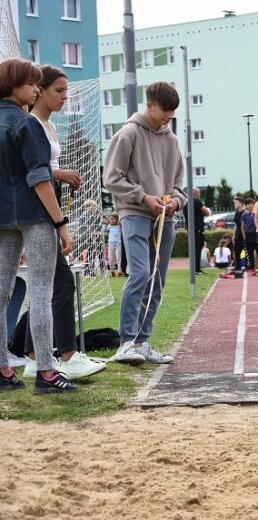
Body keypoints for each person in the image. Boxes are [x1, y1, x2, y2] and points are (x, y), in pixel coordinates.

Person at [0, 57, 78, 393]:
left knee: (0, 295)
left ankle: (3, 371)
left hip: (3, 218)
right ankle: (46, 373)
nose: (35, 89)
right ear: (13, 84)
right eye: (31, 83)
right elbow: (40, 178)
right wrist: (61, 222)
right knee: (43, 294)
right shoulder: (27, 124)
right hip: (35, 217)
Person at [25, 64, 106, 381]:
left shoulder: (48, 125)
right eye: (59, 91)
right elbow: (32, 171)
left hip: (52, 205)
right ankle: (67, 355)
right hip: (40, 209)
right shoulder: (30, 124)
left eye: (66, 91)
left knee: (48, 285)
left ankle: (34, 357)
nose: (64, 97)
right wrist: (61, 176)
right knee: (58, 284)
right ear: (39, 90)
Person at [103, 81, 187, 365]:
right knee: (139, 274)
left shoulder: (172, 140)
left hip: (166, 218)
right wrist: (143, 197)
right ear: (150, 104)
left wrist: (175, 201)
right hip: (134, 213)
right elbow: (112, 178)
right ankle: (126, 342)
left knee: (157, 282)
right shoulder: (127, 134)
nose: (169, 116)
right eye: (166, 110)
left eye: (173, 111)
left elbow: (178, 185)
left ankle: (142, 341)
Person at [184, 186, 210, 274]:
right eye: (199, 193)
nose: (200, 195)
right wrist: (203, 212)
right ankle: (197, 269)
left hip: (190, 229)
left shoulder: (186, 203)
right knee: (198, 249)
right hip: (198, 229)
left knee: (193, 249)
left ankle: (194, 268)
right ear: (195, 194)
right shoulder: (196, 202)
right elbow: (206, 212)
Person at [232, 196, 246, 268]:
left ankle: (248, 264)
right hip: (238, 234)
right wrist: (234, 235)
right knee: (236, 249)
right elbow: (236, 225)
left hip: (245, 234)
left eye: (236, 203)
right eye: (234, 203)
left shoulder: (245, 212)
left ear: (241, 203)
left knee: (247, 249)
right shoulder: (236, 213)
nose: (235, 204)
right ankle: (237, 265)